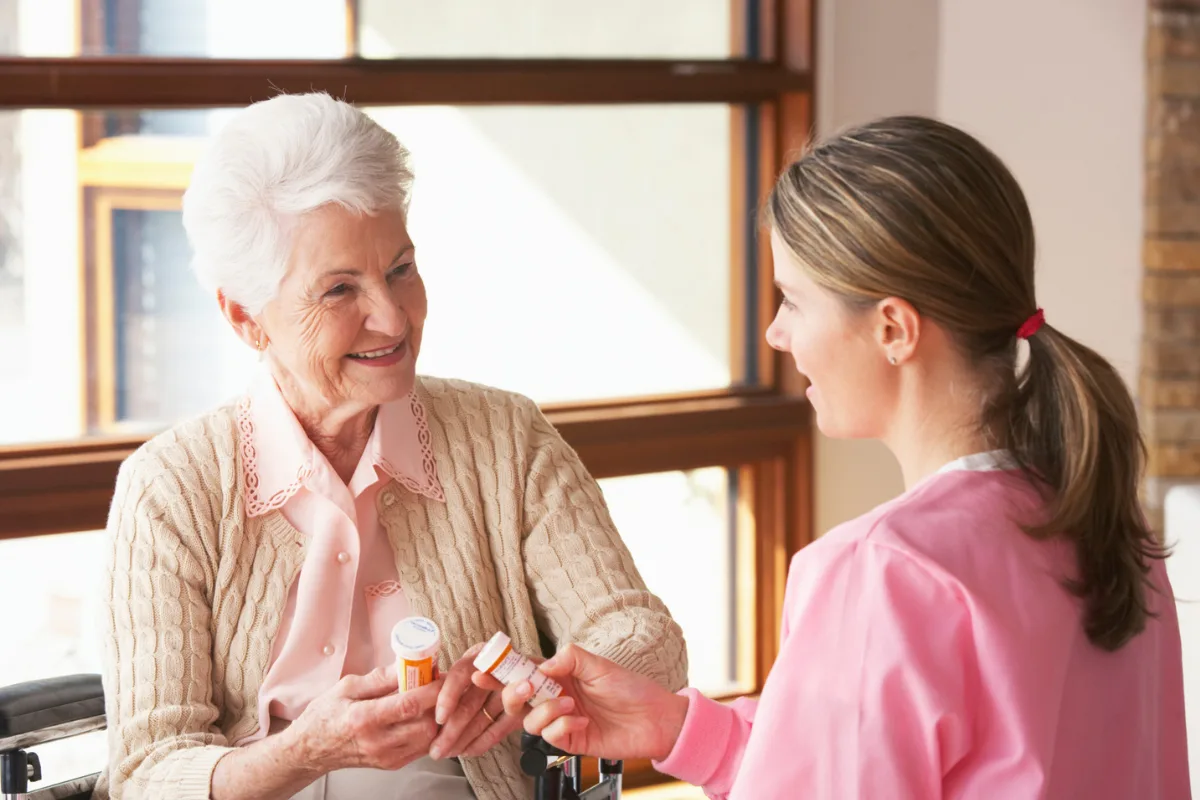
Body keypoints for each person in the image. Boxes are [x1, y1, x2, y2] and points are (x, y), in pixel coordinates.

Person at [493, 116, 1191, 798]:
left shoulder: (884, 571)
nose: (774, 332)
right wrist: (679, 727)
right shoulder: (1108, 524)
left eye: (794, 300)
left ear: (892, 327)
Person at [94, 92, 687, 800]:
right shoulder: (171, 488)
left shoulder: (505, 438)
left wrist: (529, 685)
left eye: (400, 269)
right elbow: (145, 774)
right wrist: (305, 752)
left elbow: (645, 637)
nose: (391, 316)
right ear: (245, 317)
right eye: (340, 289)